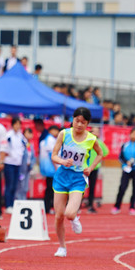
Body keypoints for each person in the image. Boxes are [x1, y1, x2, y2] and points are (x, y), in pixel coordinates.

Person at [50, 107, 103, 258]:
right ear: (72, 120)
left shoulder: (91, 139)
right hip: (62, 177)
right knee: (59, 215)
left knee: (69, 213)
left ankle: (74, 218)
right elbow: (54, 155)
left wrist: (91, 167)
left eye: (83, 122)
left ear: (87, 124)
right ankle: (62, 247)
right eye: (77, 121)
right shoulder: (64, 134)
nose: (79, 125)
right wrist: (62, 161)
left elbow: (100, 154)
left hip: (78, 179)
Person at [112, 128, 135, 215]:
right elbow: (120, 157)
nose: (134, 135)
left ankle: (132, 207)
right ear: (130, 135)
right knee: (122, 187)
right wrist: (126, 163)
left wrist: (132, 164)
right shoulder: (125, 145)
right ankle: (117, 206)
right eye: (132, 133)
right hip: (126, 170)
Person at [3, 117, 26, 214]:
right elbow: (4, 147)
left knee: (15, 185)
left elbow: (24, 146)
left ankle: (12, 204)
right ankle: (8, 205)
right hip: (9, 163)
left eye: (19, 124)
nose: (18, 126)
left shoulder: (21, 136)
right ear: (12, 125)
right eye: (16, 124)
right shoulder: (8, 135)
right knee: (9, 184)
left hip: (18, 163)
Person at [83, 126, 108, 214]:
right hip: (84, 168)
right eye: (93, 131)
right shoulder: (86, 141)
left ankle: (90, 205)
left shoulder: (99, 142)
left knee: (91, 188)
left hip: (94, 168)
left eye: (97, 131)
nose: (95, 133)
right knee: (81, 187)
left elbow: (105, 152)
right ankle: (77, 205)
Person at [38, 125, 60, 215]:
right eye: (55, 130)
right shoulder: (51, 141)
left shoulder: (44, 141)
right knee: (51, 189)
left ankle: (47, 207)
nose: (56, 133)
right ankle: (48, 207)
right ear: (51, 131)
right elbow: (52, 155)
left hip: (46, 168)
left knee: (49, 189)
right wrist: (56, 168)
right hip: (51, 168)